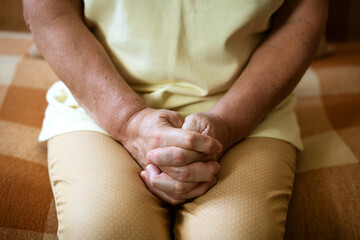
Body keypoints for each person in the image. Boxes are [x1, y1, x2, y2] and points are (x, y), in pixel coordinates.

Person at [23, 0, 328, 239]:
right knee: (107, 230)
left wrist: (228, 123)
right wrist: (129, 122)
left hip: (249, 106)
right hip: (99, 102)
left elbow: (302, 15)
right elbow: (49, 10)